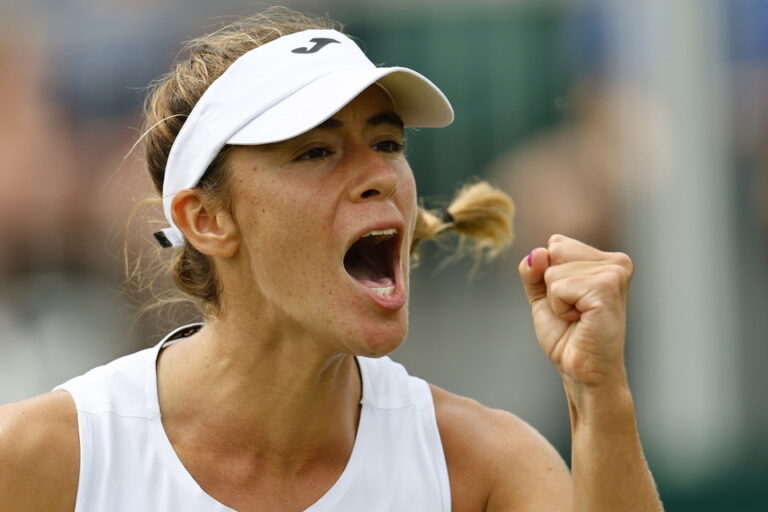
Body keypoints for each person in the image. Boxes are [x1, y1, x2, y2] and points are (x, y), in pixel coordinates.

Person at [0, 8, 663, 512]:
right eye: (316, 152)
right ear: (206, 220)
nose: (379, 175)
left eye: (386, 141)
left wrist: (599, 396)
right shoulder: (46, 457)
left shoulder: (484, 464)